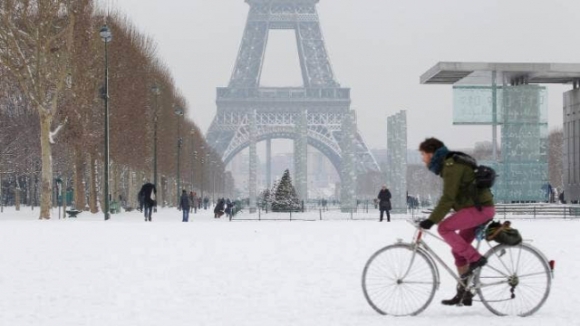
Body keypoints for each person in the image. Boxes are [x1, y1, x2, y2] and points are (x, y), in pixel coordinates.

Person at [418, 137, 495, 306]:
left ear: (431, 154)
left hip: (480, 209)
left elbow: (448, 197)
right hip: (477, 209)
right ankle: (465, 292)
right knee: (458, 251)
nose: (422, 159)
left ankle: (476, 258)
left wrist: (432, 220)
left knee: (444, 228)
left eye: (423, 154)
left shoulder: (451, 166)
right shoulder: (449, 164)